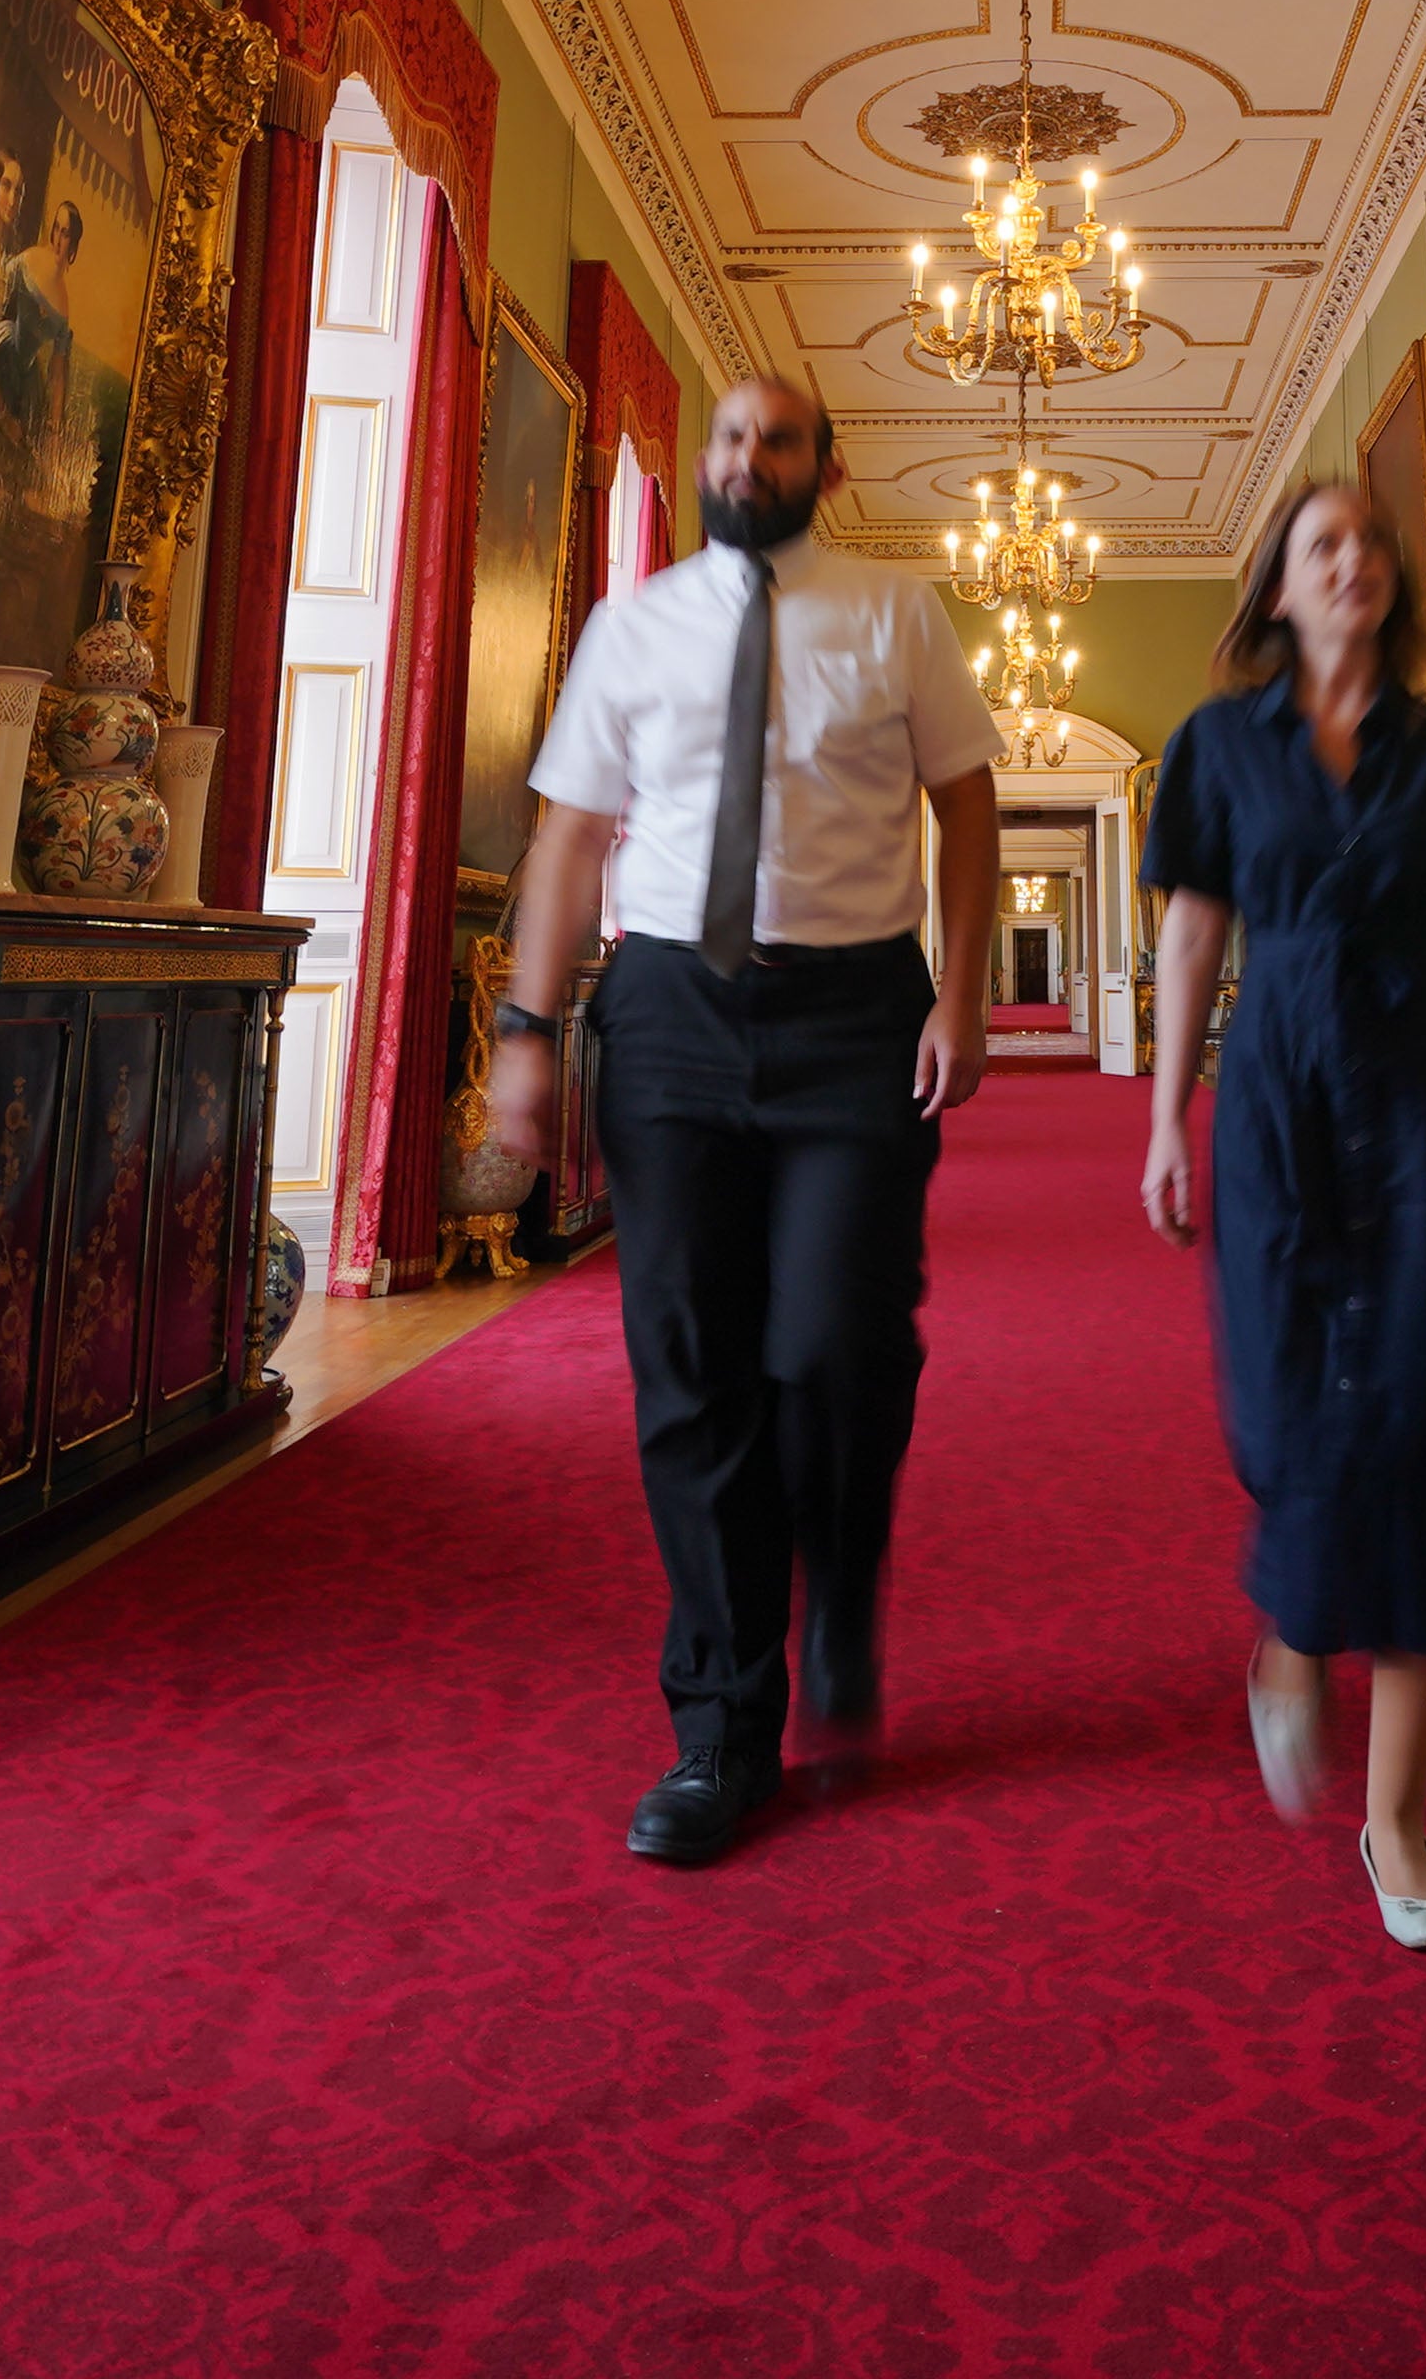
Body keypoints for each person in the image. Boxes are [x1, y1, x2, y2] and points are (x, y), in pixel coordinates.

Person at [496, 371, 1000, 1868]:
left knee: (834, 1342)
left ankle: (839, 1573)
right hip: (668, 1014)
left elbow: (967, 806)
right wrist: (526, 1032)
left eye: (776, 437)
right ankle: (723, 1730)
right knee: (691, 1367)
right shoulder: (631, 625)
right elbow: (575, 833)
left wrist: (961, 1001)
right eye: (725, 435)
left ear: (825, 469)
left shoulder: (898, 614)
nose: (744, 455)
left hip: (854, 1018)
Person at [1139, 477, 1426, 1953]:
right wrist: (1162, 1120)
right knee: (1288, 1414)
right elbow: (1193, 932)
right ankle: (1295, 1630)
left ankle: (1396, 1822)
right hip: (1275, 1109)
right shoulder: (1214, 749)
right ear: (1278, 585)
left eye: (1373, 544)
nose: (1353, 562)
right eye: (1324, 545)